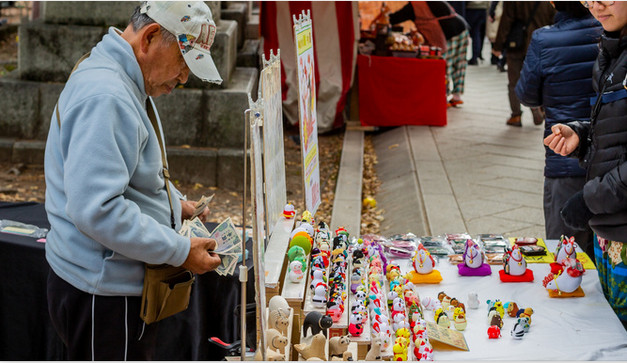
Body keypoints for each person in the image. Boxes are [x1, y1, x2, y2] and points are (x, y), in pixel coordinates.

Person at [44, 2, 223, 359]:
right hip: (103, 294)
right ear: (151, 37)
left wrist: (175, 204)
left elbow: (133, 173)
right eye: (184, 63)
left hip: (104, 284)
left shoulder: (121, 78)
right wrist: (181, 252)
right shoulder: (107, 95)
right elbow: (99, 211)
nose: (184, 78)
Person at [543, 0, 627, 329]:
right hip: (610, 225)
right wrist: (583, 133)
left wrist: (590, 199)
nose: (594, 5)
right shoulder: (612, 44)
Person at [515, 2, 601, 261]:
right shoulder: (607, 34)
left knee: (564, 252)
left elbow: (526, 94)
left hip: (563, 155)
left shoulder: (544, 39)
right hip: (609, 159)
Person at [389, 1, 470, 107]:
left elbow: (394, 18)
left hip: (448, 32)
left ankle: (443, 96)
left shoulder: (415, 5)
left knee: (445, 65)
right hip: (461, 27)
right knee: (459, 63)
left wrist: (384, 17)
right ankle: (456, 96)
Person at [492, 1, 555, 127]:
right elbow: (554, 20)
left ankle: (516, 115)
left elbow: (506, 21)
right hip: (541, 46)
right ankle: (538, 106)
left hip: (517, 45)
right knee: (540, 80)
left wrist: (498, 45)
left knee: (514, 81)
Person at [465, 1, 490, 65]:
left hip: (472, 8)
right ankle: (475, 56)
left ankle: (474, 57)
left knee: (472, 32)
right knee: (477, 33)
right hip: (483, 8)